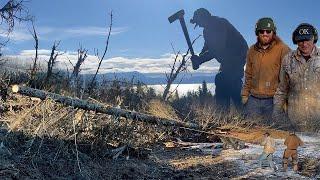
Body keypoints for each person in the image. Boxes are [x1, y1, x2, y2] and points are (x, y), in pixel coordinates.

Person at [190, 8, 248, 112]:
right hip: (227, 59)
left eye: (198, 22)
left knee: (226, 80)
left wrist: (200, 59)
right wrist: (198, 58)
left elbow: (217, 48)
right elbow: (207, 48)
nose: (198, 25)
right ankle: (226, 116)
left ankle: (237, 116)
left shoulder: (219, 24)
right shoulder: (206, 30)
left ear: (204, 18)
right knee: (224, 82)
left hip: (237, 55)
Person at [241, 17, 290, 123]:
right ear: (257, 33)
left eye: (268, 31)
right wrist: (245, 94)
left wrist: (286, 101)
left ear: (273, 32)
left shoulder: (283, 49)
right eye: (261, 31)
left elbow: (289, 77)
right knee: (251, 131)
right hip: (253, 99)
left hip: (273, 100)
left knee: (272, 133)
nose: (265, 34)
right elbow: (248, 74)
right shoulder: (251, 50)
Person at [273, 23, 320, 130]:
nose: (304, 44)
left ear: (314, 39)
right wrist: (277, 115)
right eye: (300, 40)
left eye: (308, 39)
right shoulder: (288, 59)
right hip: (295, 125)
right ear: (296, 41)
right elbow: (281, 90)